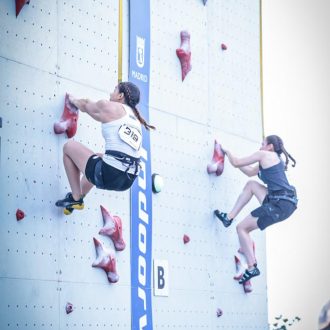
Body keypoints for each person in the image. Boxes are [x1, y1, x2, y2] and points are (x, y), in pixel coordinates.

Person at [55, 81, 155, 214]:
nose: (110, 93)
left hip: (108, 174)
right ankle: (79, 196)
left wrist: (72, 100)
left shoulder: (111, 107)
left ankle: (76, 198)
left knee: (68, 147)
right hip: (127, 181)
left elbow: (85, 104)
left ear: (120, 96)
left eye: (114, 90)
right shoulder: (136, 120)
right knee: (98, 157)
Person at [214, 135, 298, 283]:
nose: (260, 147)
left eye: (262, 144)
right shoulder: (272, 160)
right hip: (283, 202)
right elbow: (248, 172)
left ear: (270, 146)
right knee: (251, 185)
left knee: (242, 228)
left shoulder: (264, 155)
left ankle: (252, 267)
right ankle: (229, 217)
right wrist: (234, 160)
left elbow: (237, 162)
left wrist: (226, 151)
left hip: (279, 204)